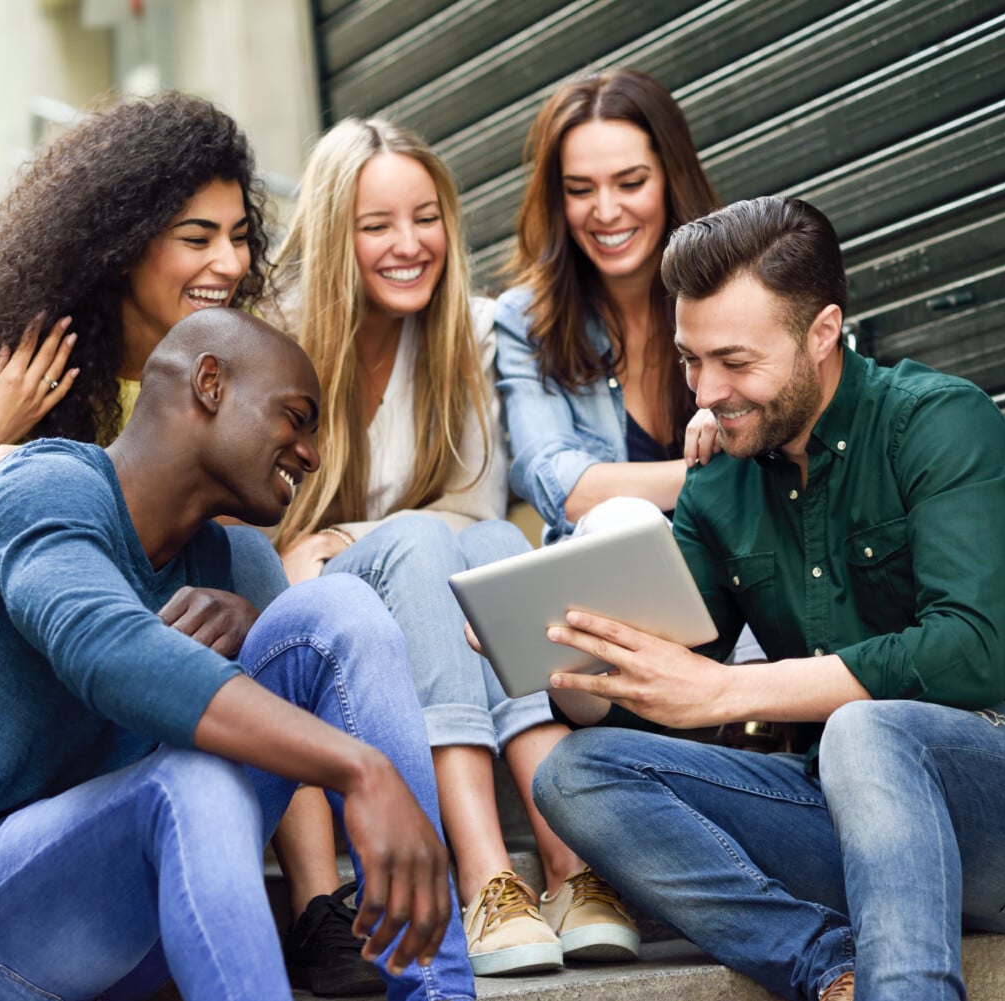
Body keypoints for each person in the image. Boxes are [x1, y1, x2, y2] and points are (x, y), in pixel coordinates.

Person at [526, 197, 1005, 1000]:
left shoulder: (939, 423)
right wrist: (564, 651)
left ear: (823, 332)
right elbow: (660, 693)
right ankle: (828, 966)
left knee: (864, 727)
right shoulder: (718, 482)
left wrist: (726, 689)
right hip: (865, 824)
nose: (706, 392)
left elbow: (969, 654)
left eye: (735, 362)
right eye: (690, 360)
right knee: (574, 773)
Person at [0, 308, 474, 1001]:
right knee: (191, 782)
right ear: (210, 382)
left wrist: (256, 634)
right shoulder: (41, 486)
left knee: (338, 610)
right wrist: (362, 768)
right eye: (295, 417)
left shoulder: (230, 561)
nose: (309, 454)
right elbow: (107, 651)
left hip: (126, 927)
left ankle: (438, 991)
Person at [268, 117, 637, 977]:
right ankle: (485, 873)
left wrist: (343, 535)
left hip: (418, 580)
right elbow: (256, 531)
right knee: (437, 544)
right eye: (377, 225)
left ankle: (569, 871)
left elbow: (470, 508)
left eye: (425, 217)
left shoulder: (466, 331)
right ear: (332, 234)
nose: (410, 245)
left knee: (495, 540)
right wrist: (338, 545)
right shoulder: (273, 337)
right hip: (320, 610)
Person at [0, 91, 289, 741]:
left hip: (99, 664)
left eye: (239, 237)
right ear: (122, 245)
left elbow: (218, 557)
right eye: (198, 237)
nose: (230, 263)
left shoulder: (230, 366)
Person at [495, 68, 723, 546]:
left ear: (669, 178)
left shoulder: (736, 288)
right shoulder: (526, 320)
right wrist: (719, 471)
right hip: (614, 581)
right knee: (620, 522)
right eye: (580, 189)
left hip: (743, 569)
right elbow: (560, 487)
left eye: (630, 183)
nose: (604, 211)